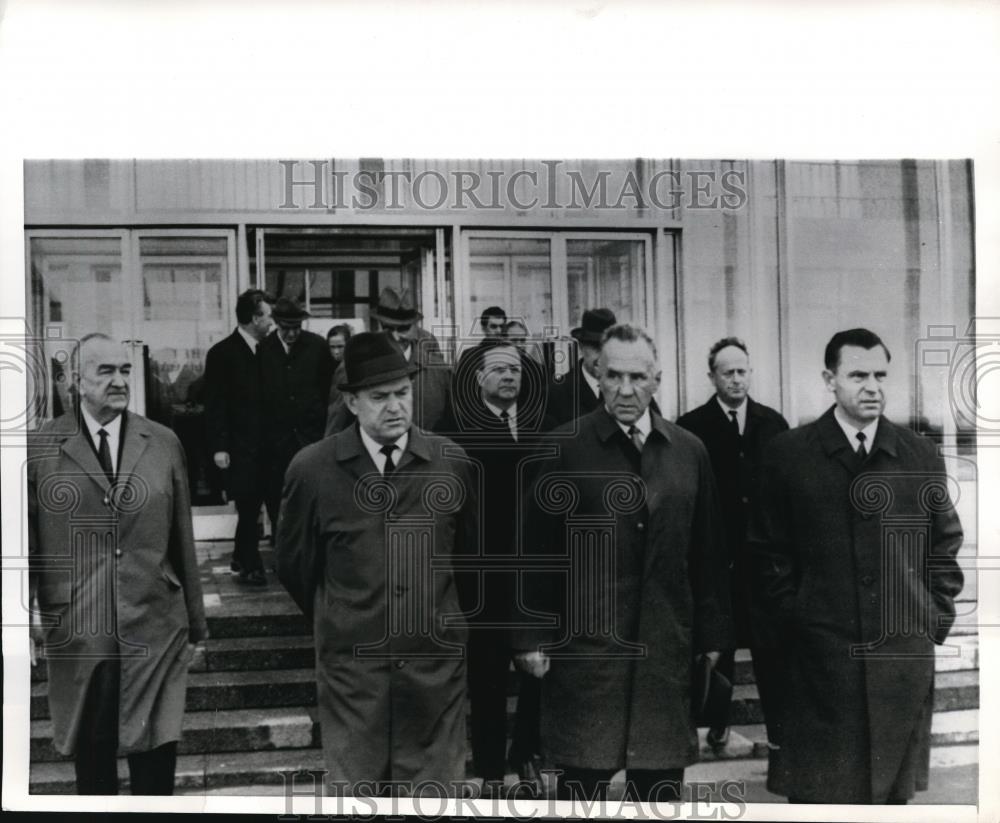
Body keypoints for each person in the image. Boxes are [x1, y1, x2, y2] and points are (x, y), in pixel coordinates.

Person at [513, 324, 731, 803]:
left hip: (663, 656)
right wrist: (529, 637)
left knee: (658, 794)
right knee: (581, 791)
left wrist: (714, 637)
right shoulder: (563, 448)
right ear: (598, 375)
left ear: (657, 380)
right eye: (613, 376)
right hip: (587, 659)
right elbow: (534, 551)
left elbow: (708, 554)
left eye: (637, 378)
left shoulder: (689, 452)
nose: (625, 390)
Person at [749, 328, 964, 804]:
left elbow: (943, 544)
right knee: (821, 800)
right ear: (830, 379)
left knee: (889, 803)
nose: (872, 386)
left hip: (898, 665)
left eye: (881, 375)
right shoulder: (788, 454)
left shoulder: (918, 454)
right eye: (858, 375)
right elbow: (766, 555)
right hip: (819, 668)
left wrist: (932, 618)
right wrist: (798, 618)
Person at [275, 332, 477, 796]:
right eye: (379, 397)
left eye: (402, 394)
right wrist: (347, 615)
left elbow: (469, 557)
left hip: (433, 670)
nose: (395, 407)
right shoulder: (313, 469)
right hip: (354, 673)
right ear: (350, 401)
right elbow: (296, 566)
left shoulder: (451, 463)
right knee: (357, 795)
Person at [27, 333, 207, 795]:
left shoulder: (162, 442)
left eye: (124, 370)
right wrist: (22, 615)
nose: (119, 380)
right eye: (105, 371)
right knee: (93, 760)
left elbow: (181, 538)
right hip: (81, 627)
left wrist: (196, 623)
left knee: (155, 756)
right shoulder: (40, 449)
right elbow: (24, 539)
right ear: (74, 381)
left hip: (154, 621)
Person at [436, 339, 551, 796]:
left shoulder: (546, 427)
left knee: (538, 672)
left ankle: (525, 754)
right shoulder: (456, 432)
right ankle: (488, 769)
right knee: (485, 677)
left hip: (538, 574)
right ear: (478, 379)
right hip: (481, 574)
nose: (510, 377)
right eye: (499, 370)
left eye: (516, 369)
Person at [676, 337, 789, 754]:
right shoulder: (692, 427)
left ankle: (780, 734)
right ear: (712, 377)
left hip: (762, 563)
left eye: (743, 371)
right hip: (715, 562)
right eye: (728, 372)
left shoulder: (772, 424)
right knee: (713, 649)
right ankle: (713, 725)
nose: (737, 379)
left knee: (770, 651)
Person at [204, 289, 274, 585]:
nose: (271, 322)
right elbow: (216, 404)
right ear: (255, 318)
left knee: (256, 504)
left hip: (269, 446)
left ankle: (241, 557)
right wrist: (219, 447)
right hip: (239, 446)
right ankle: (251, 563)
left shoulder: (269, 350)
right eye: (267, 316)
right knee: (248, 505)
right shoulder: (222, 353)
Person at [326, 288, 450, 435]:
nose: (396, 337)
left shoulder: (438, 370)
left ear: (415, 327)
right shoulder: (353, 366)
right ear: (379, 325)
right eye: (388, 328)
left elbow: (452, 429)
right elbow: (336, 428)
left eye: (403, 328)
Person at [260, 297, 334, 539]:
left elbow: (328, 389)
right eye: (286, 328)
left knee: (312, 490)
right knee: (276, 493)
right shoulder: (263, 349)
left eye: (296, 328)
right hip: (274, 440)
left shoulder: (317, 347)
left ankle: (311, 542)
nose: (292, 334)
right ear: (276, 325)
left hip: (311, 437)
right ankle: (282, 542)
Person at [545, 308, 616, 428]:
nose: (603, 355)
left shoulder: (632, 388)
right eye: (596, 346)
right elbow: (549, 445)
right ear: (581, 347)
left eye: (609, 347)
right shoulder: (554, 394)